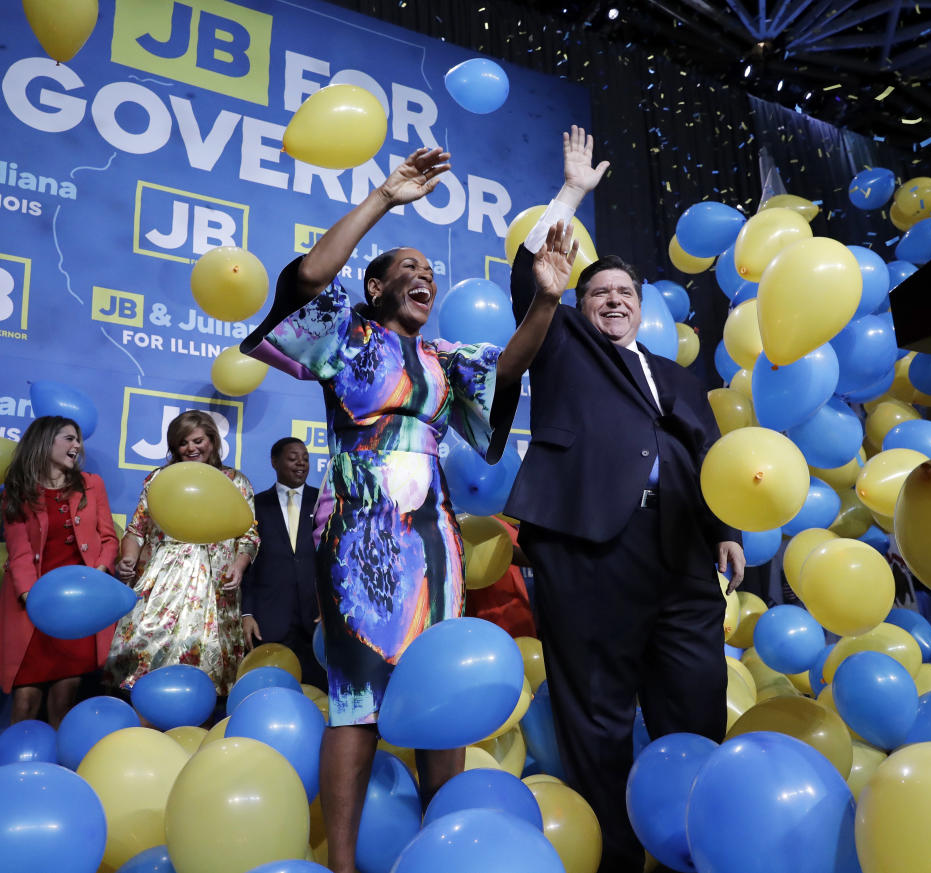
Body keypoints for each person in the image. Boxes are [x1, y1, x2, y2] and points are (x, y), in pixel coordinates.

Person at [241, 146, 577, 873]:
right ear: (377, 283)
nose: (425, 277)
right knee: (357, 691)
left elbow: (510, 365)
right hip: (358, 527)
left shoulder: (442, 359)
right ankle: (346, 863)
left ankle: (437, 848)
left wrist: (546, 298)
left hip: (434, 535)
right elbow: (306, 279)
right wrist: (385, 198)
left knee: (440, 683)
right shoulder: (345, 333)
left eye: (431, 271)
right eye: (410, 268)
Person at [506, 127, 746, 873]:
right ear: (581, 304)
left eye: (624, 293)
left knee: (695, 701)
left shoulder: (678, 376)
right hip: (587, 549)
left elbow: (709, 455)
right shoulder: (562, 340)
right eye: (599, 292)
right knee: (599, 718)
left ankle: (691, 847)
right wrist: (572, 194)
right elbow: (533, 275)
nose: (612, 300)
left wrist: (724, 528)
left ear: (642, 309)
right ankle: (612, 856)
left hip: (679, 557)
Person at [106, 410, 259, 697]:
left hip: (215, 587)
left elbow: (249, 535)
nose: (191, 448)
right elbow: (137, 530)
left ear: (212, 440)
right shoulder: (158, 479)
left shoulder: (235, 482)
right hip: (162, 586)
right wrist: (127, 558)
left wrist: (239, 567)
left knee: (206, 676)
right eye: (183, 443)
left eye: (198, 440)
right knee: (145, 670)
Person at [0, 417, 118, 727]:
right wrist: (34, 601)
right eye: (69, 438)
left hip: (77, 608)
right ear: (45, 441)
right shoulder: (17, 492)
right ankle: (13, 771)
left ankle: (59, 771)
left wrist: (96, 576)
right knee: (25, 703)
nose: (77, 446)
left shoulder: (91, 484)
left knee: (64, 701)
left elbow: (109, 539)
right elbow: (18, 554)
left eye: (78, 440)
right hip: (33, 606)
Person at [241, 436, 326, 690]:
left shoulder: (324, 502)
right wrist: (247, 612)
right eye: (292, 458)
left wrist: (330, 607)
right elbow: (249, 563)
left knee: (319, 690)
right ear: (274, 462)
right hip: (270, 617)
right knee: (270, 689)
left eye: (305, 458)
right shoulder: (256, 505)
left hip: (316, 617)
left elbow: (334, 559)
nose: (301, 463)